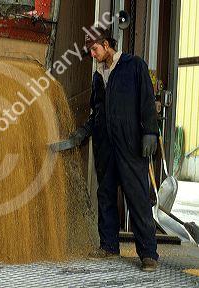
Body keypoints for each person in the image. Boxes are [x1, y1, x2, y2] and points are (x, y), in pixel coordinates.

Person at [71, 27, 159, 272]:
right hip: (106, 146)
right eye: (90, 50)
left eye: (95, 49)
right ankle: (109, 246)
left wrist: (150, 132)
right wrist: (84, 132)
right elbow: (97, 111)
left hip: (130, 144)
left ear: (107, 44)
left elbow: (147, 101)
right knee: (106, 195)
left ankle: (148, 254)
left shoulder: (134, 66)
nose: (92, 54)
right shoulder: (98, 75)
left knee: (137, 197)